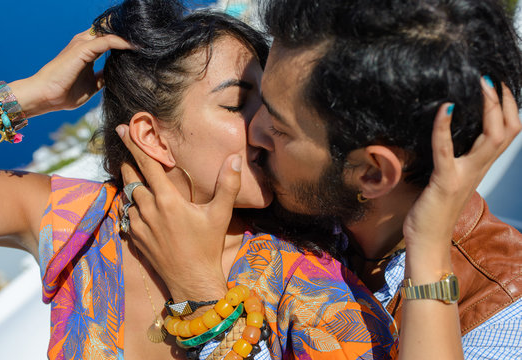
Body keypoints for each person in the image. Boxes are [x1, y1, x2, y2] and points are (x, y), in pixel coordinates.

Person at [116, 0, 522, 359]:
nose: (253, 132)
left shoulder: (504, 313)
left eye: (279, 126)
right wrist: (49, 96)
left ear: (372, 173)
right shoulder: (286, 204)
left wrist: (200, 291)